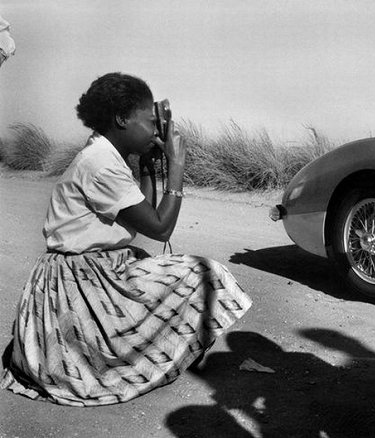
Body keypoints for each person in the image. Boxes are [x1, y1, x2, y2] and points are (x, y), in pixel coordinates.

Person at [0, 72, 252, 406]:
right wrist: (177, 165)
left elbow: (140, 210)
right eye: (150, 122)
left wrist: (146, 166)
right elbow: (159, 228)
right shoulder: (101, 165)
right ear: (122, 119)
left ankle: (142, 355)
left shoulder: (102, 155)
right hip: (79, 284)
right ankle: (135, 360)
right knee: (204, 274)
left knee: (156, 271)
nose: (155, 130)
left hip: (80, 275)